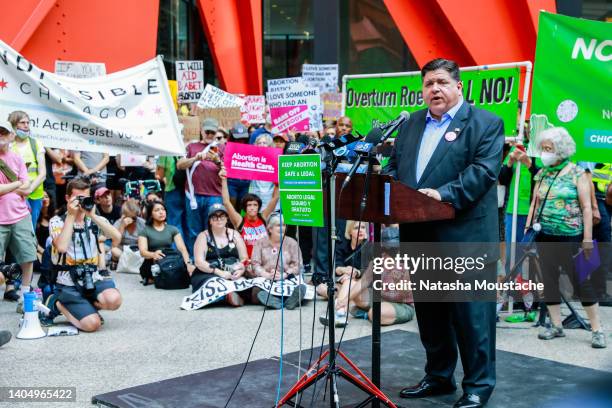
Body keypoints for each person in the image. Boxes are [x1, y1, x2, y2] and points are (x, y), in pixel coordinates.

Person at [384, 58, 504, 407]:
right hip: (420, 235)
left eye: (441, 82)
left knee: (471, 317)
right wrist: (392, 194)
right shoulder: (410, 125)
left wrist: (443, 194)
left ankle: (478, 386)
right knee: (432, 315)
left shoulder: (485, 124)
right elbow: (395, 166)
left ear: (458, 86)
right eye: (427, 84)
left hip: (465, 238)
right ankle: (438, 377)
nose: (434, 89)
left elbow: (483, 172)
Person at [526, 128, 605, 348]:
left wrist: (587, 238)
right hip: (545, 235)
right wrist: (528, 225)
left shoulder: (577, 173)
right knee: (549, 281)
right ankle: (556, 325)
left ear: (561, 150)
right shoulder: (542, 173)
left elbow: (587, 207)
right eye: (543, 148)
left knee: (582, 282)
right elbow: (535, 202)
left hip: (572, 237)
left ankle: (597, 330)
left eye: (548, 149)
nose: (544, 152)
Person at [45, 177, 122, 332]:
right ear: (67, 198)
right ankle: (57, 303)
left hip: (91, 276)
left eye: (84, 198)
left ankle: (86, 308)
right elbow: (61, 247)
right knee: (92, 325)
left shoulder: (94, 219)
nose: (80, 202)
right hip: (68, 281)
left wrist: (92, 215)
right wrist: (71, 216)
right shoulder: (57, 221)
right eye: (77, 198)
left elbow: (116, 237)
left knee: (114, 300)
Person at [0, 121, 37, 304]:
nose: (0, 136)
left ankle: (25, 293)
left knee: (27, 255)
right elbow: (20, 185)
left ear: (10, 136)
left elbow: (28, 189)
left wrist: (7, 187)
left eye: (3, 132)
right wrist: (16, 185)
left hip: (21, 214)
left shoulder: (17, 158)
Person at [177, 117, 224, 253]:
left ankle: (212, 258)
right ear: (201, 131)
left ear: (216, 133)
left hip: (214, 195)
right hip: (193, 196)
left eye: (212, 132)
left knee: (213, 230)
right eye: (207, 131)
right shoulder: (192, 146)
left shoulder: (222, 148)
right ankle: (194, 259)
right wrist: (195, 158)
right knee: (194, 231)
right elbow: (180, 165)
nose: (209, 135)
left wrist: (217, 161)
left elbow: (228, 171)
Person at [191, 203, 248, 306]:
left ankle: (228, 296)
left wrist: (241, 269)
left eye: (222, 216)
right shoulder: (203, 236)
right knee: (214, 283)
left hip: (231, 271)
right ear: (210, 220)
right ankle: (227, 296)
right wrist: (219, 273)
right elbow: (199, 262)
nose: (218, 219)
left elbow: (244, 258)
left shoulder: (235, 234)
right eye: (214, 217)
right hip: (209, 273)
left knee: (243, 282)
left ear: (227, 218)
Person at [219, 167, 278, 258]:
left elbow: (274, 199)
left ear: (258, 207)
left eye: (255, 205)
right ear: (245, 208)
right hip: (247, 262)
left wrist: (278, 184)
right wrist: (224, 179)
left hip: (265, 261)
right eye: (249, 205)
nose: (252, 208)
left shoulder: (263, 217)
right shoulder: (239, 221)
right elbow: (226, 202)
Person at [317, 220, 368, 327]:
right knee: (321, 288)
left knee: (348, 281)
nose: (360, 230)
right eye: (356, 228)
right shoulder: (343, 245)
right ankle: (343, 301)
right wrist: (346, 270)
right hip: (345, 281)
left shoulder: (368, 246)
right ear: (349, 232)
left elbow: (368, 271)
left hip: (361, 284)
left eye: (363, 227)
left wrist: (356, 272)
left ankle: (339, 313)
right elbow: (336, 267)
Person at [250, 213, 305, 309]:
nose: (282, 228)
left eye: (284, 225)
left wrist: (285, 274)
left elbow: (298, 265)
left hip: (287, 278)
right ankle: (282, 301)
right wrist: (266, 274)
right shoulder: (260, 243)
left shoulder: (292, 243)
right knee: (257, 291)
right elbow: (255, 264)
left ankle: (282, 301)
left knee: (300, 288)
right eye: (278, 225)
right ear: (270, 229)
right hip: (266, 278)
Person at [138, 200, 193, 285]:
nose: (161, 212)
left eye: (163, 209)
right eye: (157, 210)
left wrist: (188, 264)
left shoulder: (173, 229)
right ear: (151, 214)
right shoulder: (145, 231)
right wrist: (153, 254)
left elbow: (182, 249)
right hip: (152, 262)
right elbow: (143, 252)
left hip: (168, 260)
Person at [8, 111, 46, 228]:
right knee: (14, 228)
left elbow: (43, 173)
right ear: (14, 125)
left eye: (28, 122)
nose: (26, 125)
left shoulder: (36, 144)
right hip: (14, 194)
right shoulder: (8, 145)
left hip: (35, 194)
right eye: (22, 122)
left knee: (31, 228)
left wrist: (29, 189)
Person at [156, 154, 187, 240]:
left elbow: (159, 175)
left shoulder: (165, 153)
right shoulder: (186, 151)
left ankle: (177, 251)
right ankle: (189, 251)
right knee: (186, 223)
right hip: (188, 192)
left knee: (174, 223)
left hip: (172, 190)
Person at [225, 123, 252, 211]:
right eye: (238, 138)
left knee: (242, 206)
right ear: (233, 137)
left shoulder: (251, 149)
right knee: (231, 206)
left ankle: (240, 223)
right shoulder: (226, 148)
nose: (240, 140)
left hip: (245, 183)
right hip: (231, 182)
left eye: (243, 138)